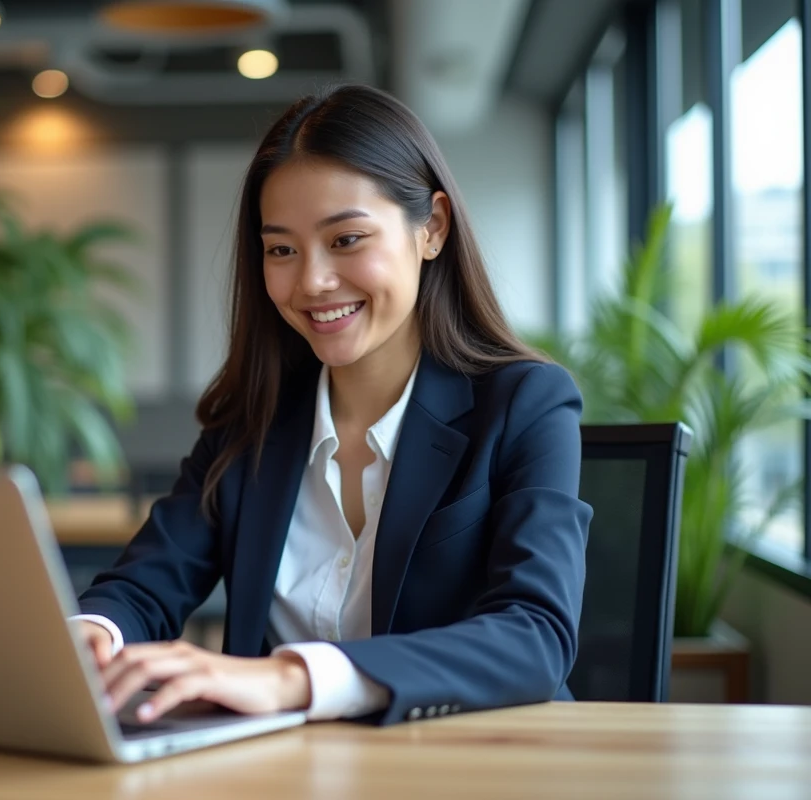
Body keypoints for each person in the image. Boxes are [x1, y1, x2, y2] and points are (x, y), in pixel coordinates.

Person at [72, 83, 593, 727]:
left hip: (473, 763)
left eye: (346, 239)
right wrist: (91, 635)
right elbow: (144, 585)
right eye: (281, 250)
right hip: (287, 769)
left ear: (431, 228)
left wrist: (293, 678)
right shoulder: (252, 422)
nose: (312, 281)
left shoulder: (525, 404)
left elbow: (535, 635)